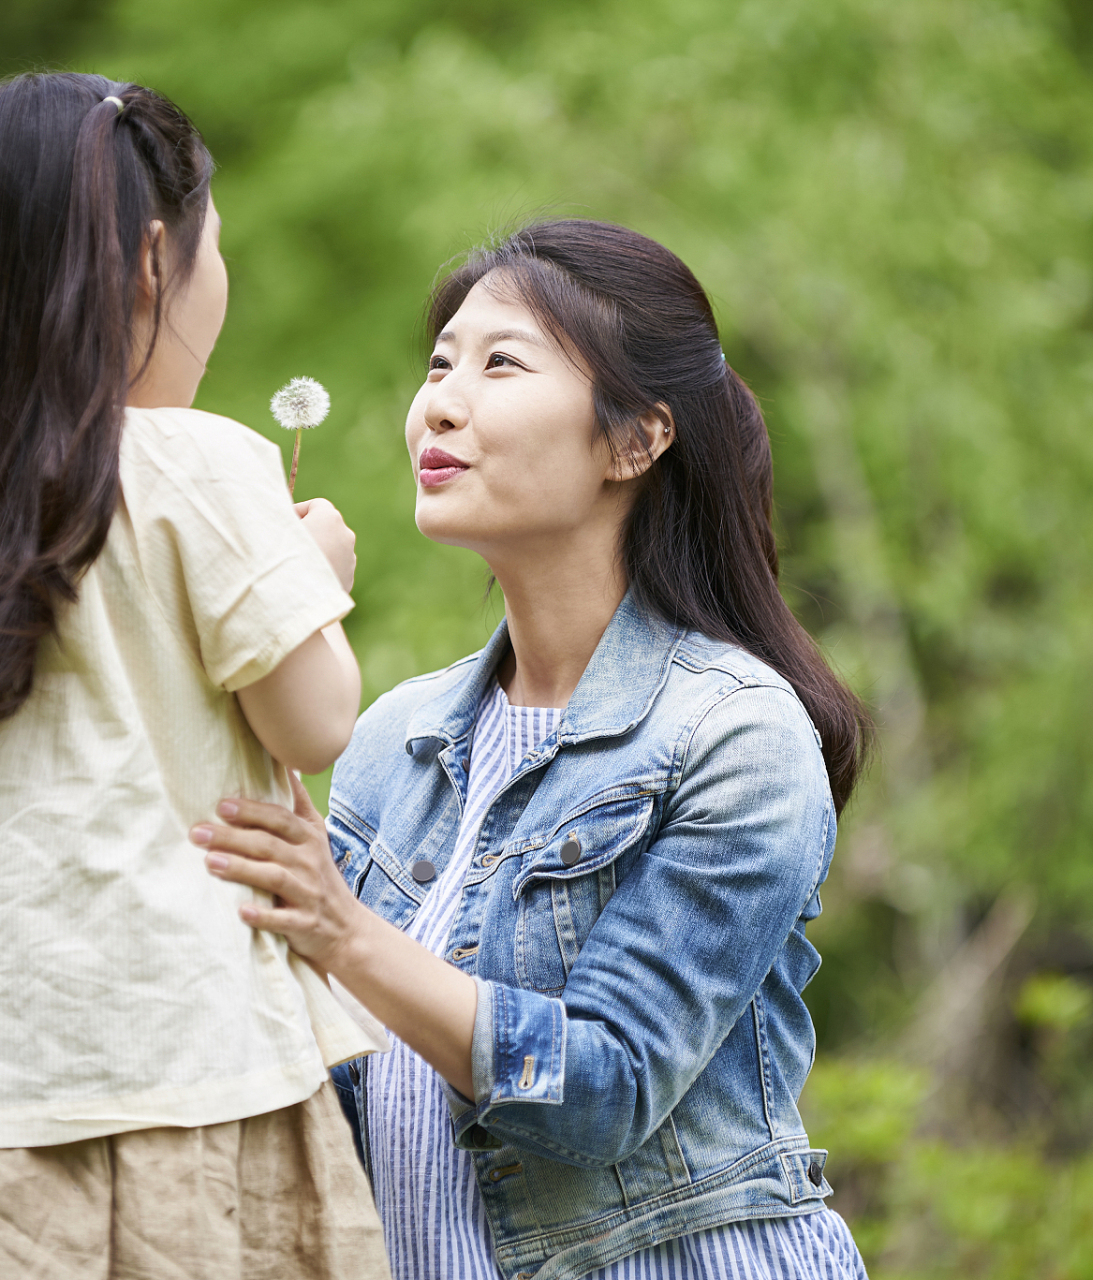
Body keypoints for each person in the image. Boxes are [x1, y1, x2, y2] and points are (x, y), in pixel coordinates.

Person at [199, 219, 874, 1279]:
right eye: (438, 364)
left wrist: (339, 930)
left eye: (499, 362)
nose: (440, 401)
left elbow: (602, 1086)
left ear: (633, 441)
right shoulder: (392, 738)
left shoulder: (734, 732)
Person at [0, 71, 387, 1280]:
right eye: (213, 248)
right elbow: (318, 715)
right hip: (174, 1078)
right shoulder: (196, 461)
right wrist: (310, 568)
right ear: (149, 260)